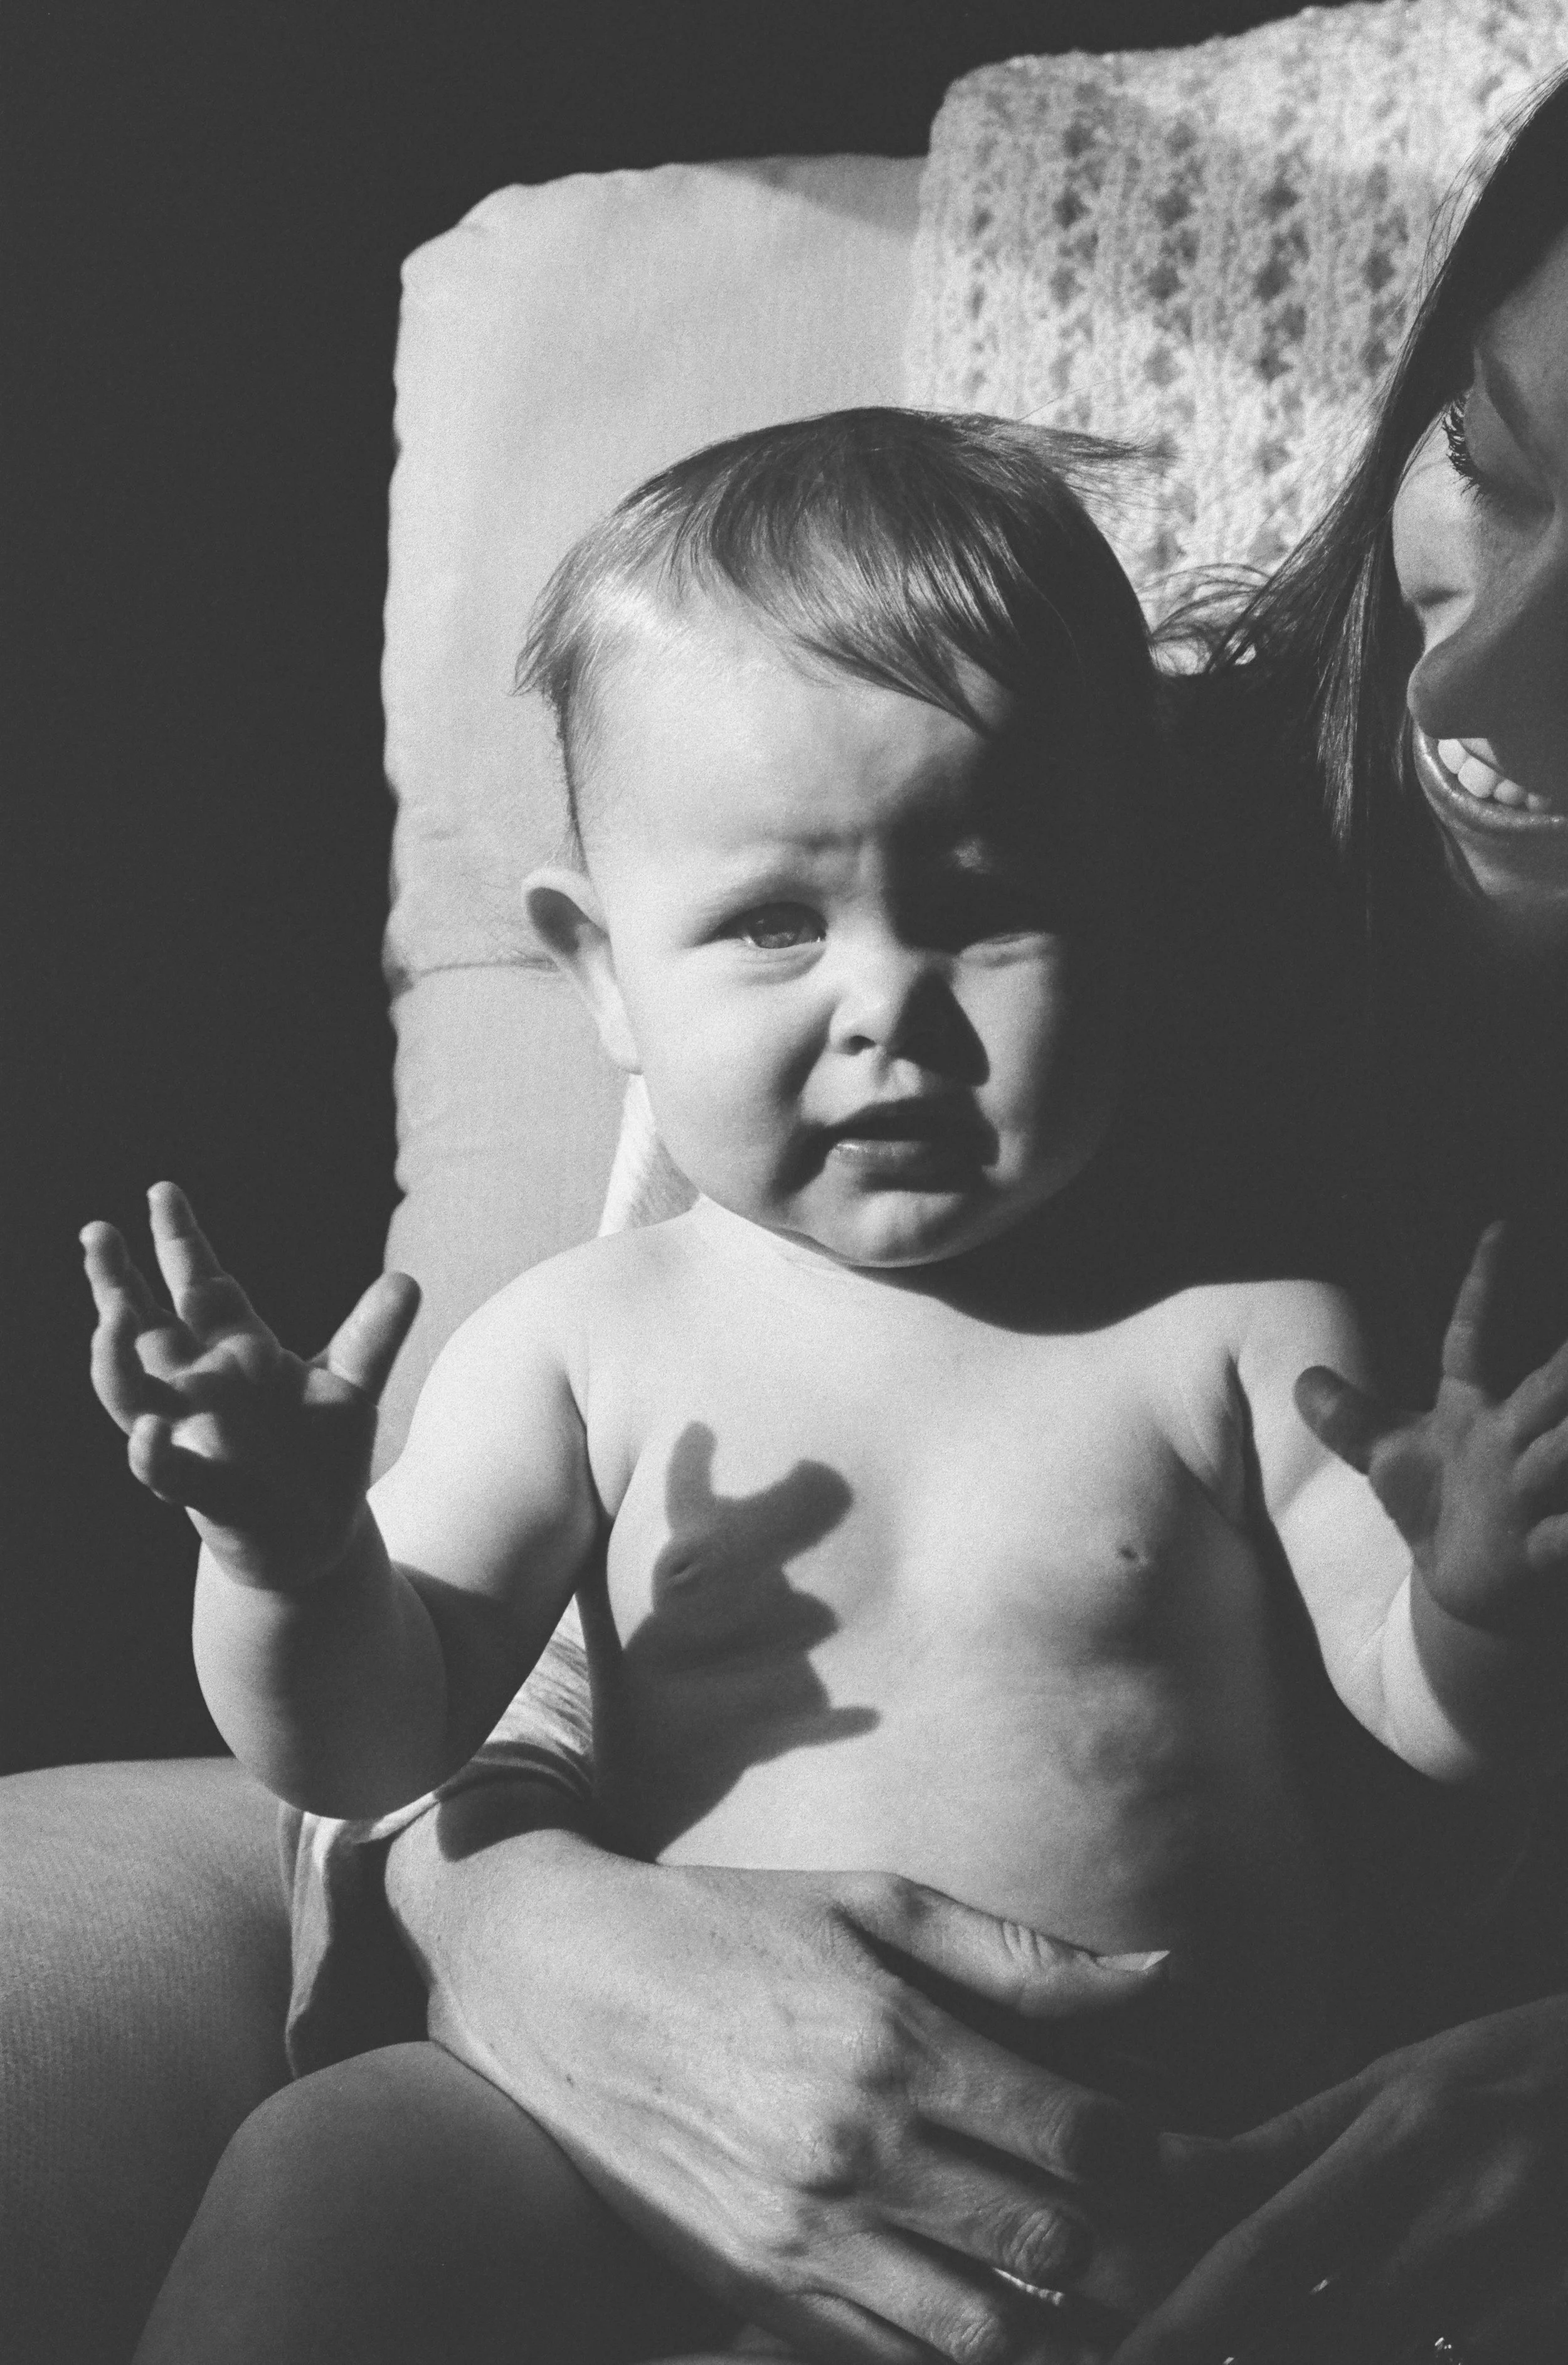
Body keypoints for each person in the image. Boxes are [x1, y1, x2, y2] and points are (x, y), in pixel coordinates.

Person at [270, 73, 1568, 2365]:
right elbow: (401, 1728)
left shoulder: (1233, 1314)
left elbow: (1425, 1704)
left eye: (984, 921)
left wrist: (1472, 1598)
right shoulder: (612, 1298)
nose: (890, 1015)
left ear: (1114, 920)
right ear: (598, 971)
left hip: (1200, 2200)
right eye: (1497, 451)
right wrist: (350, 1651)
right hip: (689, 2173)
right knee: (327, 2175)